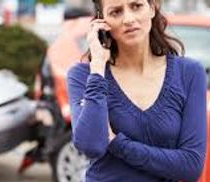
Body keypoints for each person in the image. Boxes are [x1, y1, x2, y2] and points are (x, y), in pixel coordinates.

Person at [67, 0, 207, 181]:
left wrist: (117, 143)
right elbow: (91, 145)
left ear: (152, 7)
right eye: (116, 12)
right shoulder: (84, 75)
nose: (128, 19)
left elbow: (191, 166)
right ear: (102, 22)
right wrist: (98, 68)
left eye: (136, 6)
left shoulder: (189, 73)